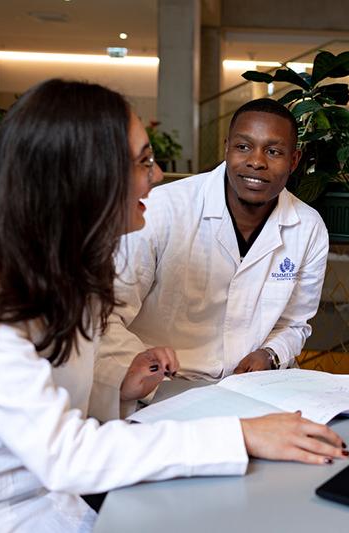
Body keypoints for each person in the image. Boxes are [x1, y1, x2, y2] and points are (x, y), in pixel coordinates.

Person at [0, 80, 347, 533]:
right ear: (86, 173)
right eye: (143, 162)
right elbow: (63, 453)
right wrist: (242, 435)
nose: (157, 177)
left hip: (56, 493)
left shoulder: (64, 268)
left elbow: (61, 402)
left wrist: (123, 386)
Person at [94, 98, 328, 417]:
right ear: (226, 147)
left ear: (294, 159)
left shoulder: (308, 227)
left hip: (252, 392)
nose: (256, 162)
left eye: (273, 152)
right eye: (244, 147)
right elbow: (107, 313)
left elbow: (296, 322)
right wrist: (138, 370)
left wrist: (270, 353)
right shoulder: (161, 210)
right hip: (162, 390)